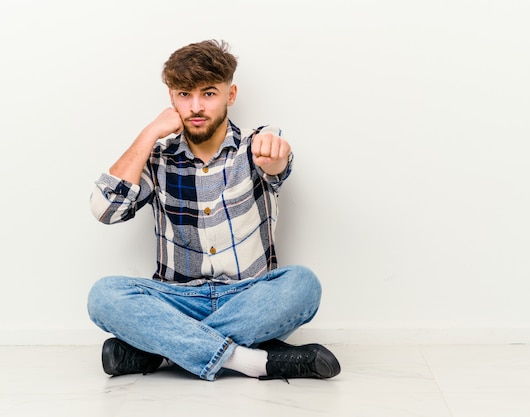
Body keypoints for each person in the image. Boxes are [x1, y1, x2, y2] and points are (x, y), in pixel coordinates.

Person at [87, 39, 340, 382]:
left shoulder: (257, 145)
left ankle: (161, 354)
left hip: (248, 297)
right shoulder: (158, 157)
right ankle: (253, 362)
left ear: (230, 95)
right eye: (184, 94)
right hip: (178, 299)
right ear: (171, 99)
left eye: (208, 93)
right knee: (104, 296)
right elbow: (105, 210)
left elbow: (278, 158)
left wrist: (277, 156)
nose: (196, 106)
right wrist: (149, 133)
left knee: (303, 285)